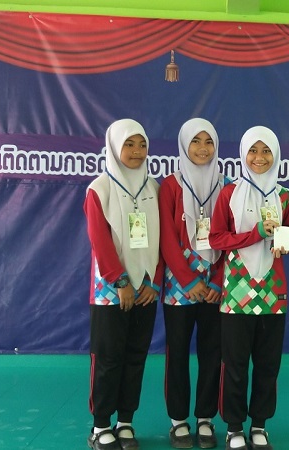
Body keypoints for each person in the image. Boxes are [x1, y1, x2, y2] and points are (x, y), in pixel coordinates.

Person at [209, 126, 289, 450]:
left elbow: (286, 236)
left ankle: (259, 425)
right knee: (235, 364)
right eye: (253, 151)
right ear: (243, 154)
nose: (259, 158)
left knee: (268, 364)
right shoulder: (229, 193)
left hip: (273, 292)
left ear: (276, 154)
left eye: (266, 151)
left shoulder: (284, 196)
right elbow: (217, 238)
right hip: (236, 292)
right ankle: (234, 427)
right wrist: (256, 232)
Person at [84, 119, 163, 450]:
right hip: (111, 290)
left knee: (136, 356)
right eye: (129, 144)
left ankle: (126, 421)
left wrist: (154, 282)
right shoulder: (99, 189)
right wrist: (120, 281)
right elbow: (99, 240)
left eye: (142, 145)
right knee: (108, 357)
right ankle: (101, 425)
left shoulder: (153, 187)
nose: (137, 152)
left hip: (146, 289)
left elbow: (162, 240)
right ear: (115, 147)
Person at [159, 118, 227, 449]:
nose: (202, 148)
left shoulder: (227, 186)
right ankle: (178, 420)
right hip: (179, 285)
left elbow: (230, 238)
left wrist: (217, 281)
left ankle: (205, 418)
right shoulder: (170, 186)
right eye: (195, 142)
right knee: (178, 352)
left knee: (212, 352)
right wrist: (188, 281)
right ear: (184, 146)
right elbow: (166, 239)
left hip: (215, 285)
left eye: (208, 141)